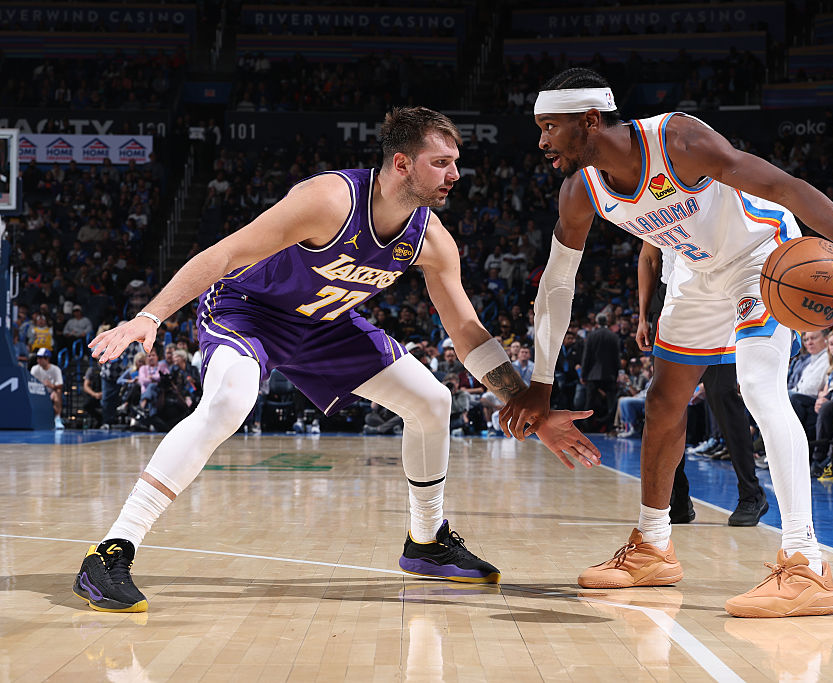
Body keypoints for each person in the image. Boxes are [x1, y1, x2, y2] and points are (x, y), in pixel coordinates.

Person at [75, 106, 600, 614]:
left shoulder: (432, 239)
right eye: (442, 162)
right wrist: (151, 315)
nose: (455, 174)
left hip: (325, 326)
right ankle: (111, 550)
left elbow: (466, 331)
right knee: (229, 403)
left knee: (433, 401)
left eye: (455, 162)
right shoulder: (329, 199)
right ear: (401, 163)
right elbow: (225, 254)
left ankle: (426, 540)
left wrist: (529, 407)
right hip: (249, 312)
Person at [500, 68, 833, 617]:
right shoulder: (582, 191)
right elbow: (557, 283)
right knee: (663, 403)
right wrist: (542, 382)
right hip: (696, 275)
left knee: (758, 387)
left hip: (761, 259)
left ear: (591, 121)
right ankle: (653, 546)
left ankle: (806, 564)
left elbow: (780, 186)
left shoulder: (677, 140)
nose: (542, 141)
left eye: (550, 127)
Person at [638, 242, 767, 526]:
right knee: (671, 401)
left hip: (717, 297)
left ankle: (751, 493)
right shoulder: (654, 204)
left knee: (722, 394)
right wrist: (643, 316)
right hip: (670, 297)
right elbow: (649, 258)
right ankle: (678, 498)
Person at [30, 348, 64, 429]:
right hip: (38, 393)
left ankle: (57, 418)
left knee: (58, 392)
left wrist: (51, 385)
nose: (38, 360)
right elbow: (31, 382)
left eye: (41, 358)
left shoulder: (56, 369)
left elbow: (60, 385)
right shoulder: (35, 369)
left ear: (47, 359)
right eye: (38, 358)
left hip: (50, 393)